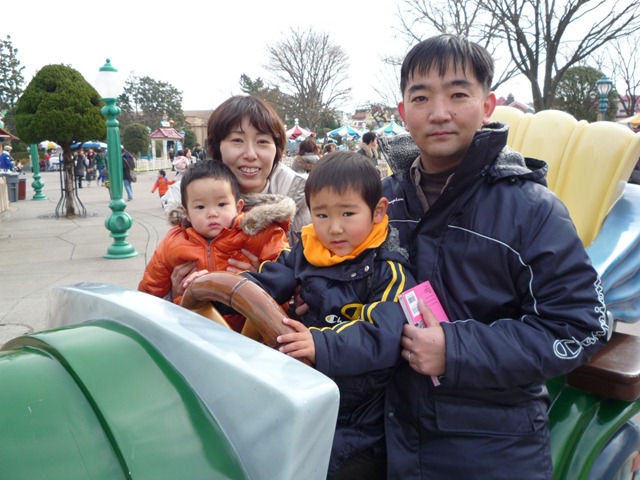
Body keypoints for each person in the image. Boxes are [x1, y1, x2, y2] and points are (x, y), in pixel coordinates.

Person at [370, 34, 608, 479]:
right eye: (421, 98)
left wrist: (456, 350)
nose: (439, 112)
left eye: (458, 94)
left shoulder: (532, 209)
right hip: (381, 439)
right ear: (403, 112)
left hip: (491, 450)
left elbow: (580, 326)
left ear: (487, 105)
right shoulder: (379, 204)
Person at [239, 151, 416, 479]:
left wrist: (320, 344)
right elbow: (271, 280)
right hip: (302, 391)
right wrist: (228, 288)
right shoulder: (308, 251)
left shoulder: (387, 270)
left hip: (356, 414)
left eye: (348, 213)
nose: (334, 228)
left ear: (377, 211)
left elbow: (383, 334)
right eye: (321, 215)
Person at [168, 95, 311, 306]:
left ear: (277, 149)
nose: (250, 154)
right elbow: (155, 288)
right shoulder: (190, 202)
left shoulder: (305, 200)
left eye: (262, 141)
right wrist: (175, 293)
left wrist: (268, 281)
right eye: (237, 140)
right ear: (217, 147)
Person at [138, 160, 295, 332]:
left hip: (251, 332)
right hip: (194, 330)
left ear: (238, 207)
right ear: (186, 213)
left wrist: (257, 277)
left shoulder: (257, 233)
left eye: (221, 204)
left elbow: (283, 273)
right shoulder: (173, 242)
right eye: (200, 207)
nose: (212, 213)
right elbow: (150, 291)